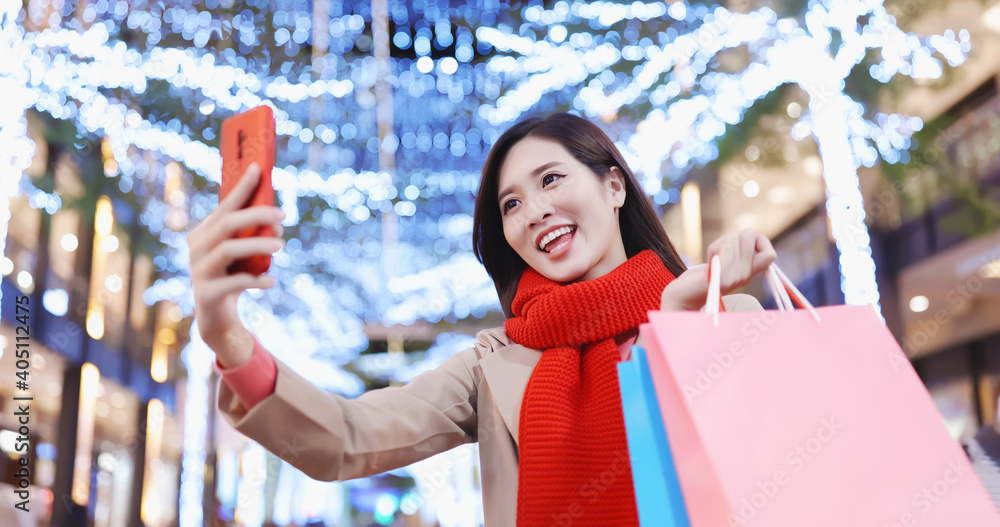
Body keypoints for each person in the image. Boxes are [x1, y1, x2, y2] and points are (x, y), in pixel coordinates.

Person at [187, 113, 776, 526]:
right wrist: (227, 336)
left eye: (550, 179)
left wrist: (674, 337)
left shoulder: (725, 314)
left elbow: (764, 482)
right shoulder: (493, 366)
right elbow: (347, 437)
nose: (535, 211)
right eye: (511, 204)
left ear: (613, 184)